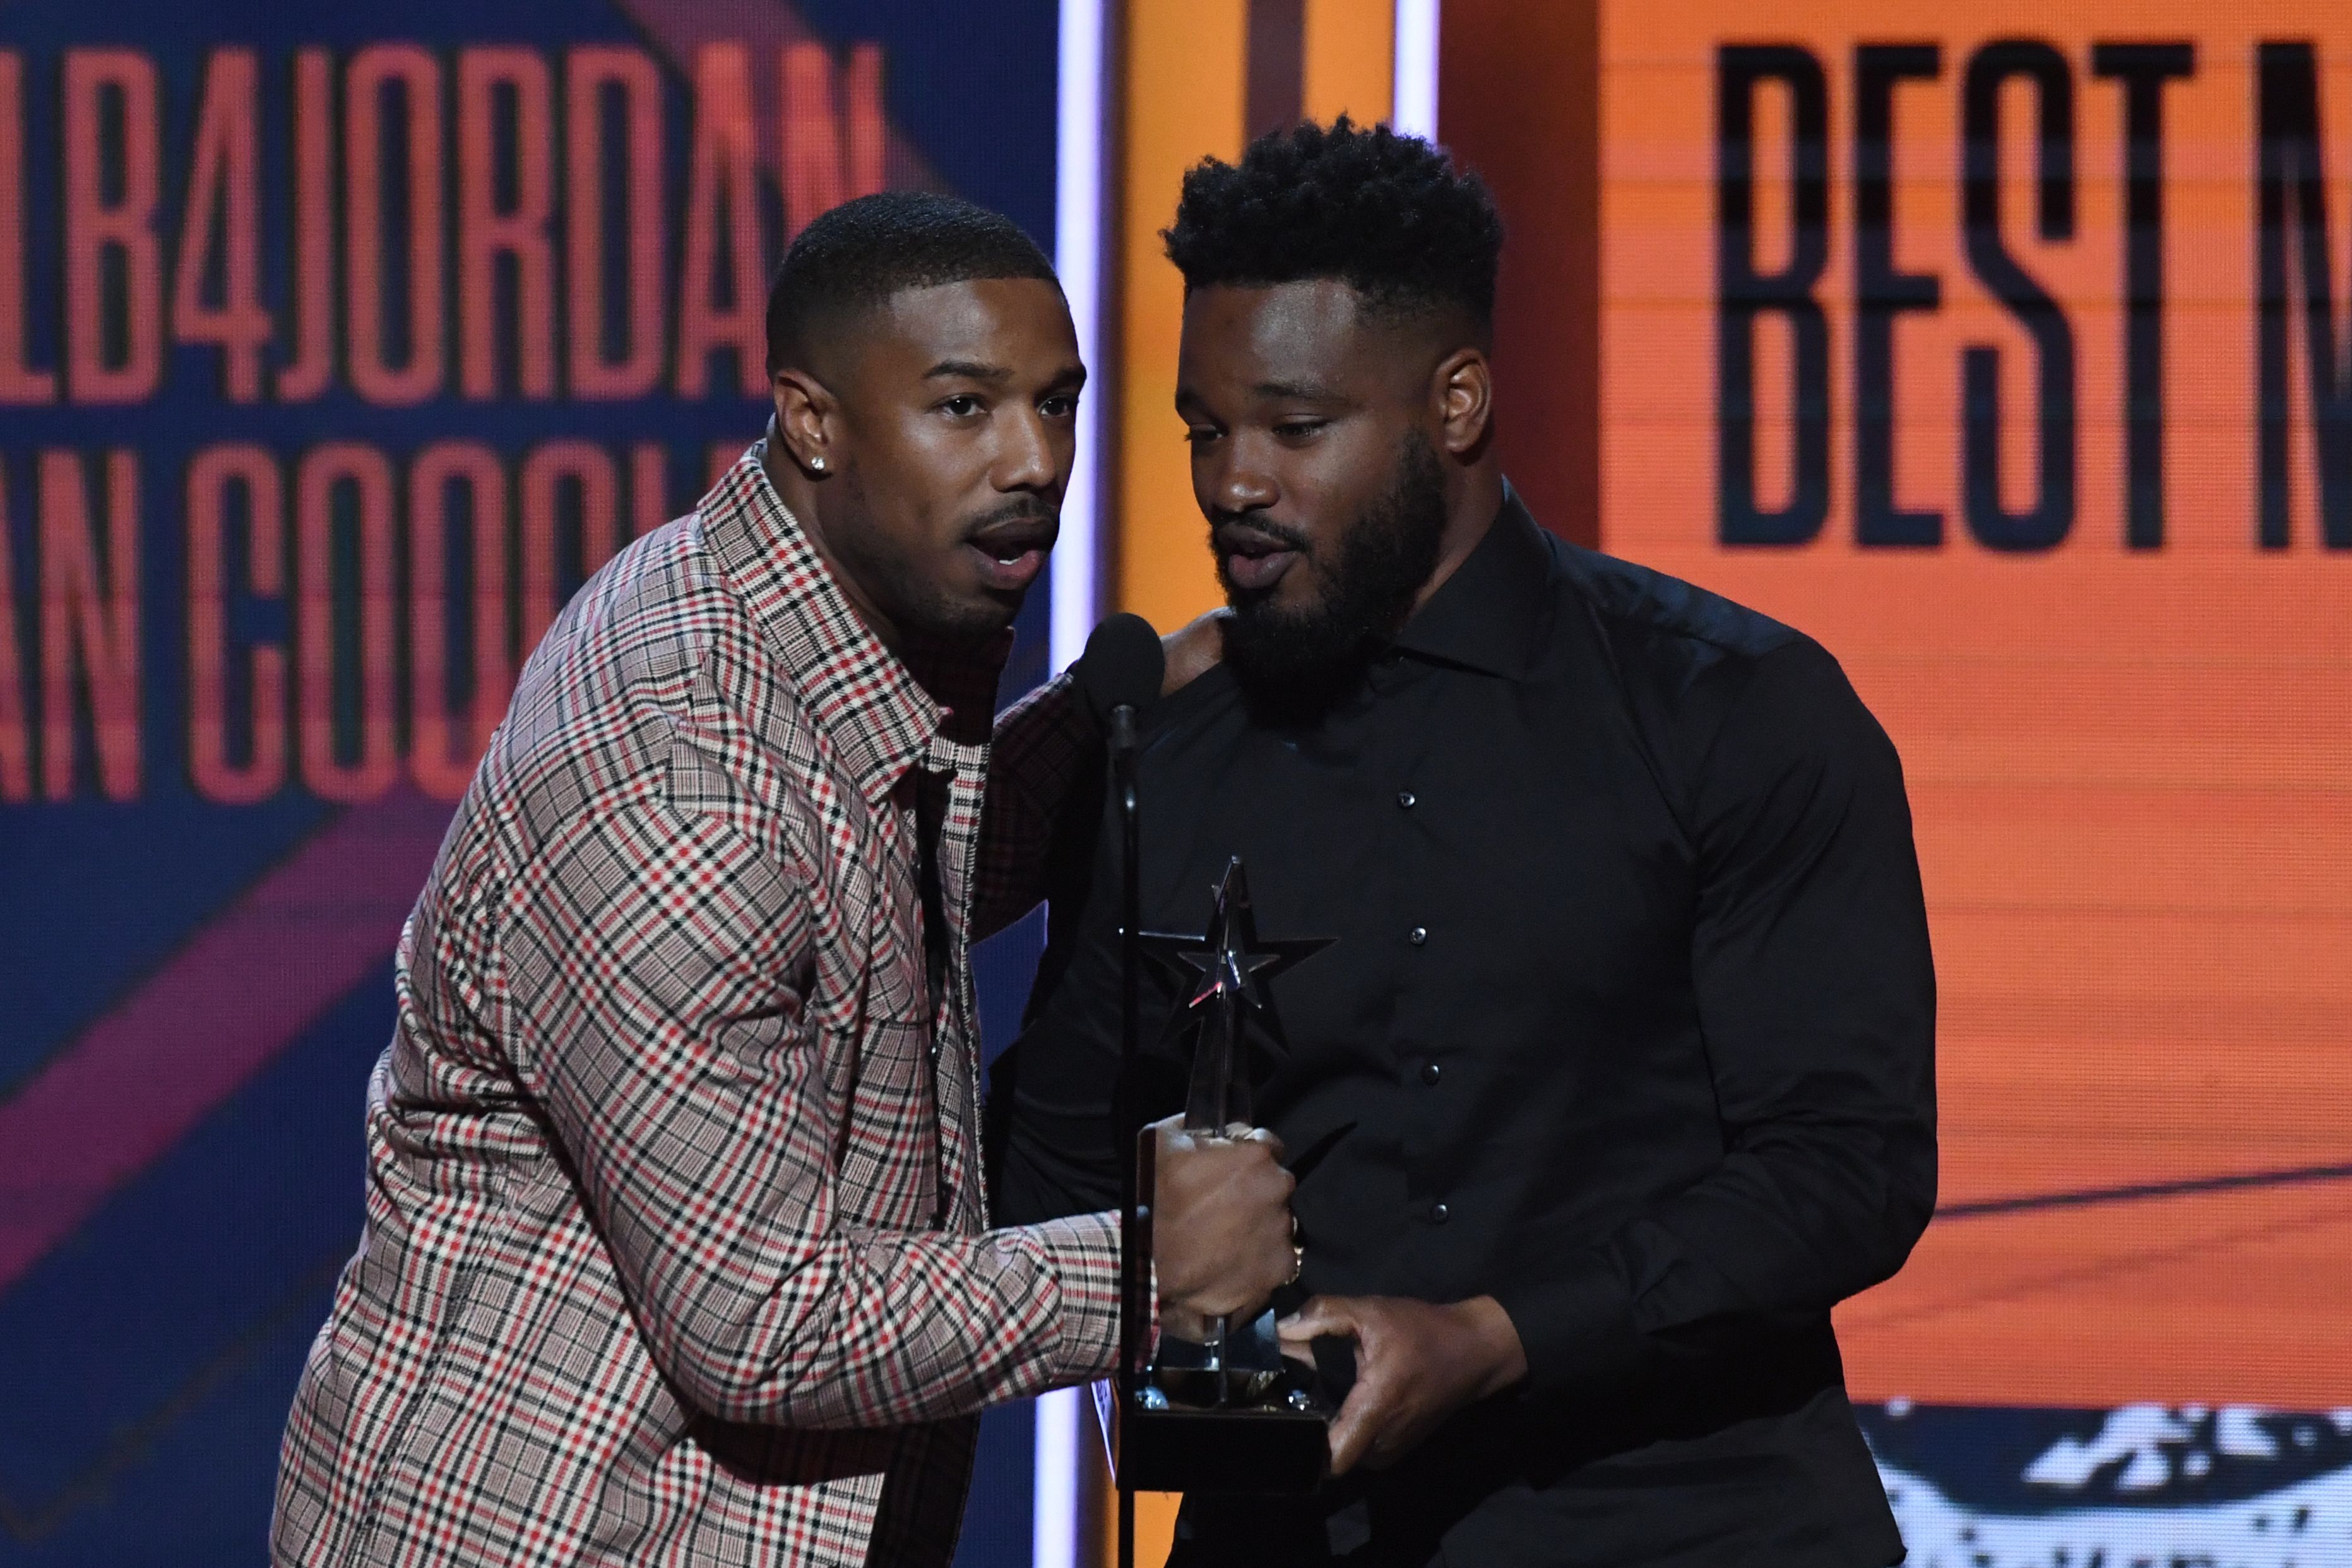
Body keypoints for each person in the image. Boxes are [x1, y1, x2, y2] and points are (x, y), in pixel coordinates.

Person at [271, 193, 1297, 1568]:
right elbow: (767, 1323)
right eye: (963, 408)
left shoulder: (798, 628)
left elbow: (861, 905)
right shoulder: (679, 772)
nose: (1033, 460)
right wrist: (1151, 1270)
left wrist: (1154, 693)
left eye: (1057, 405)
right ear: (814, 422)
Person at [986, 121, 1937, 1565]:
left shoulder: (1733, 712)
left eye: (1295, 429)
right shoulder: (1160, 748)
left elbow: (1845, 1165)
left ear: (1457, 401)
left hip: (1693, 1528)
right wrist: (1154, 1328)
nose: (1233, 482)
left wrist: (1496, 1341)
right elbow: (1056, 1151)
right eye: (1202, 428)